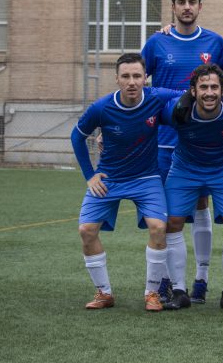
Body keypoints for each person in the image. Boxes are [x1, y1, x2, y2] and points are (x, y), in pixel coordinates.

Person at [142, 0, 223, 303]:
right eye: (181, 2)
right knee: (168, 218)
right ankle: (168, 281)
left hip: (203, 140)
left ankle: (201, 278)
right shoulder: (157, 42)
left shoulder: (215, 42)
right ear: (172, 6)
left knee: (201, 206)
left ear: (200, 5)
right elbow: (139, 85)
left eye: (192, 2)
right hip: (164, 142)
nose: (186, 7)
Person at [70, 53, 180, 312]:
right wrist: (90, 175)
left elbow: (188, 94)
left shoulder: (156, 97)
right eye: (126, 76)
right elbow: (77, 136)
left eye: (137, 76)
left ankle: (152, 293)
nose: (132, 82)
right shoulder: (101, 108)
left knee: (158, 227)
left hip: (146, 178)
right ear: (117, 79)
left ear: (145, 78)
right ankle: (104, 293)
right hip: (110, 177)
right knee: (86, 230)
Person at [161, 64, 223, 312]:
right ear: (193, 91)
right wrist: (107, 133)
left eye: (214, 87)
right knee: (172, 222)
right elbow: (145, 116)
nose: (209, 93)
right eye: (203, 87)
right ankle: (179, 290)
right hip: (185, 169)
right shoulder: (175, 110)